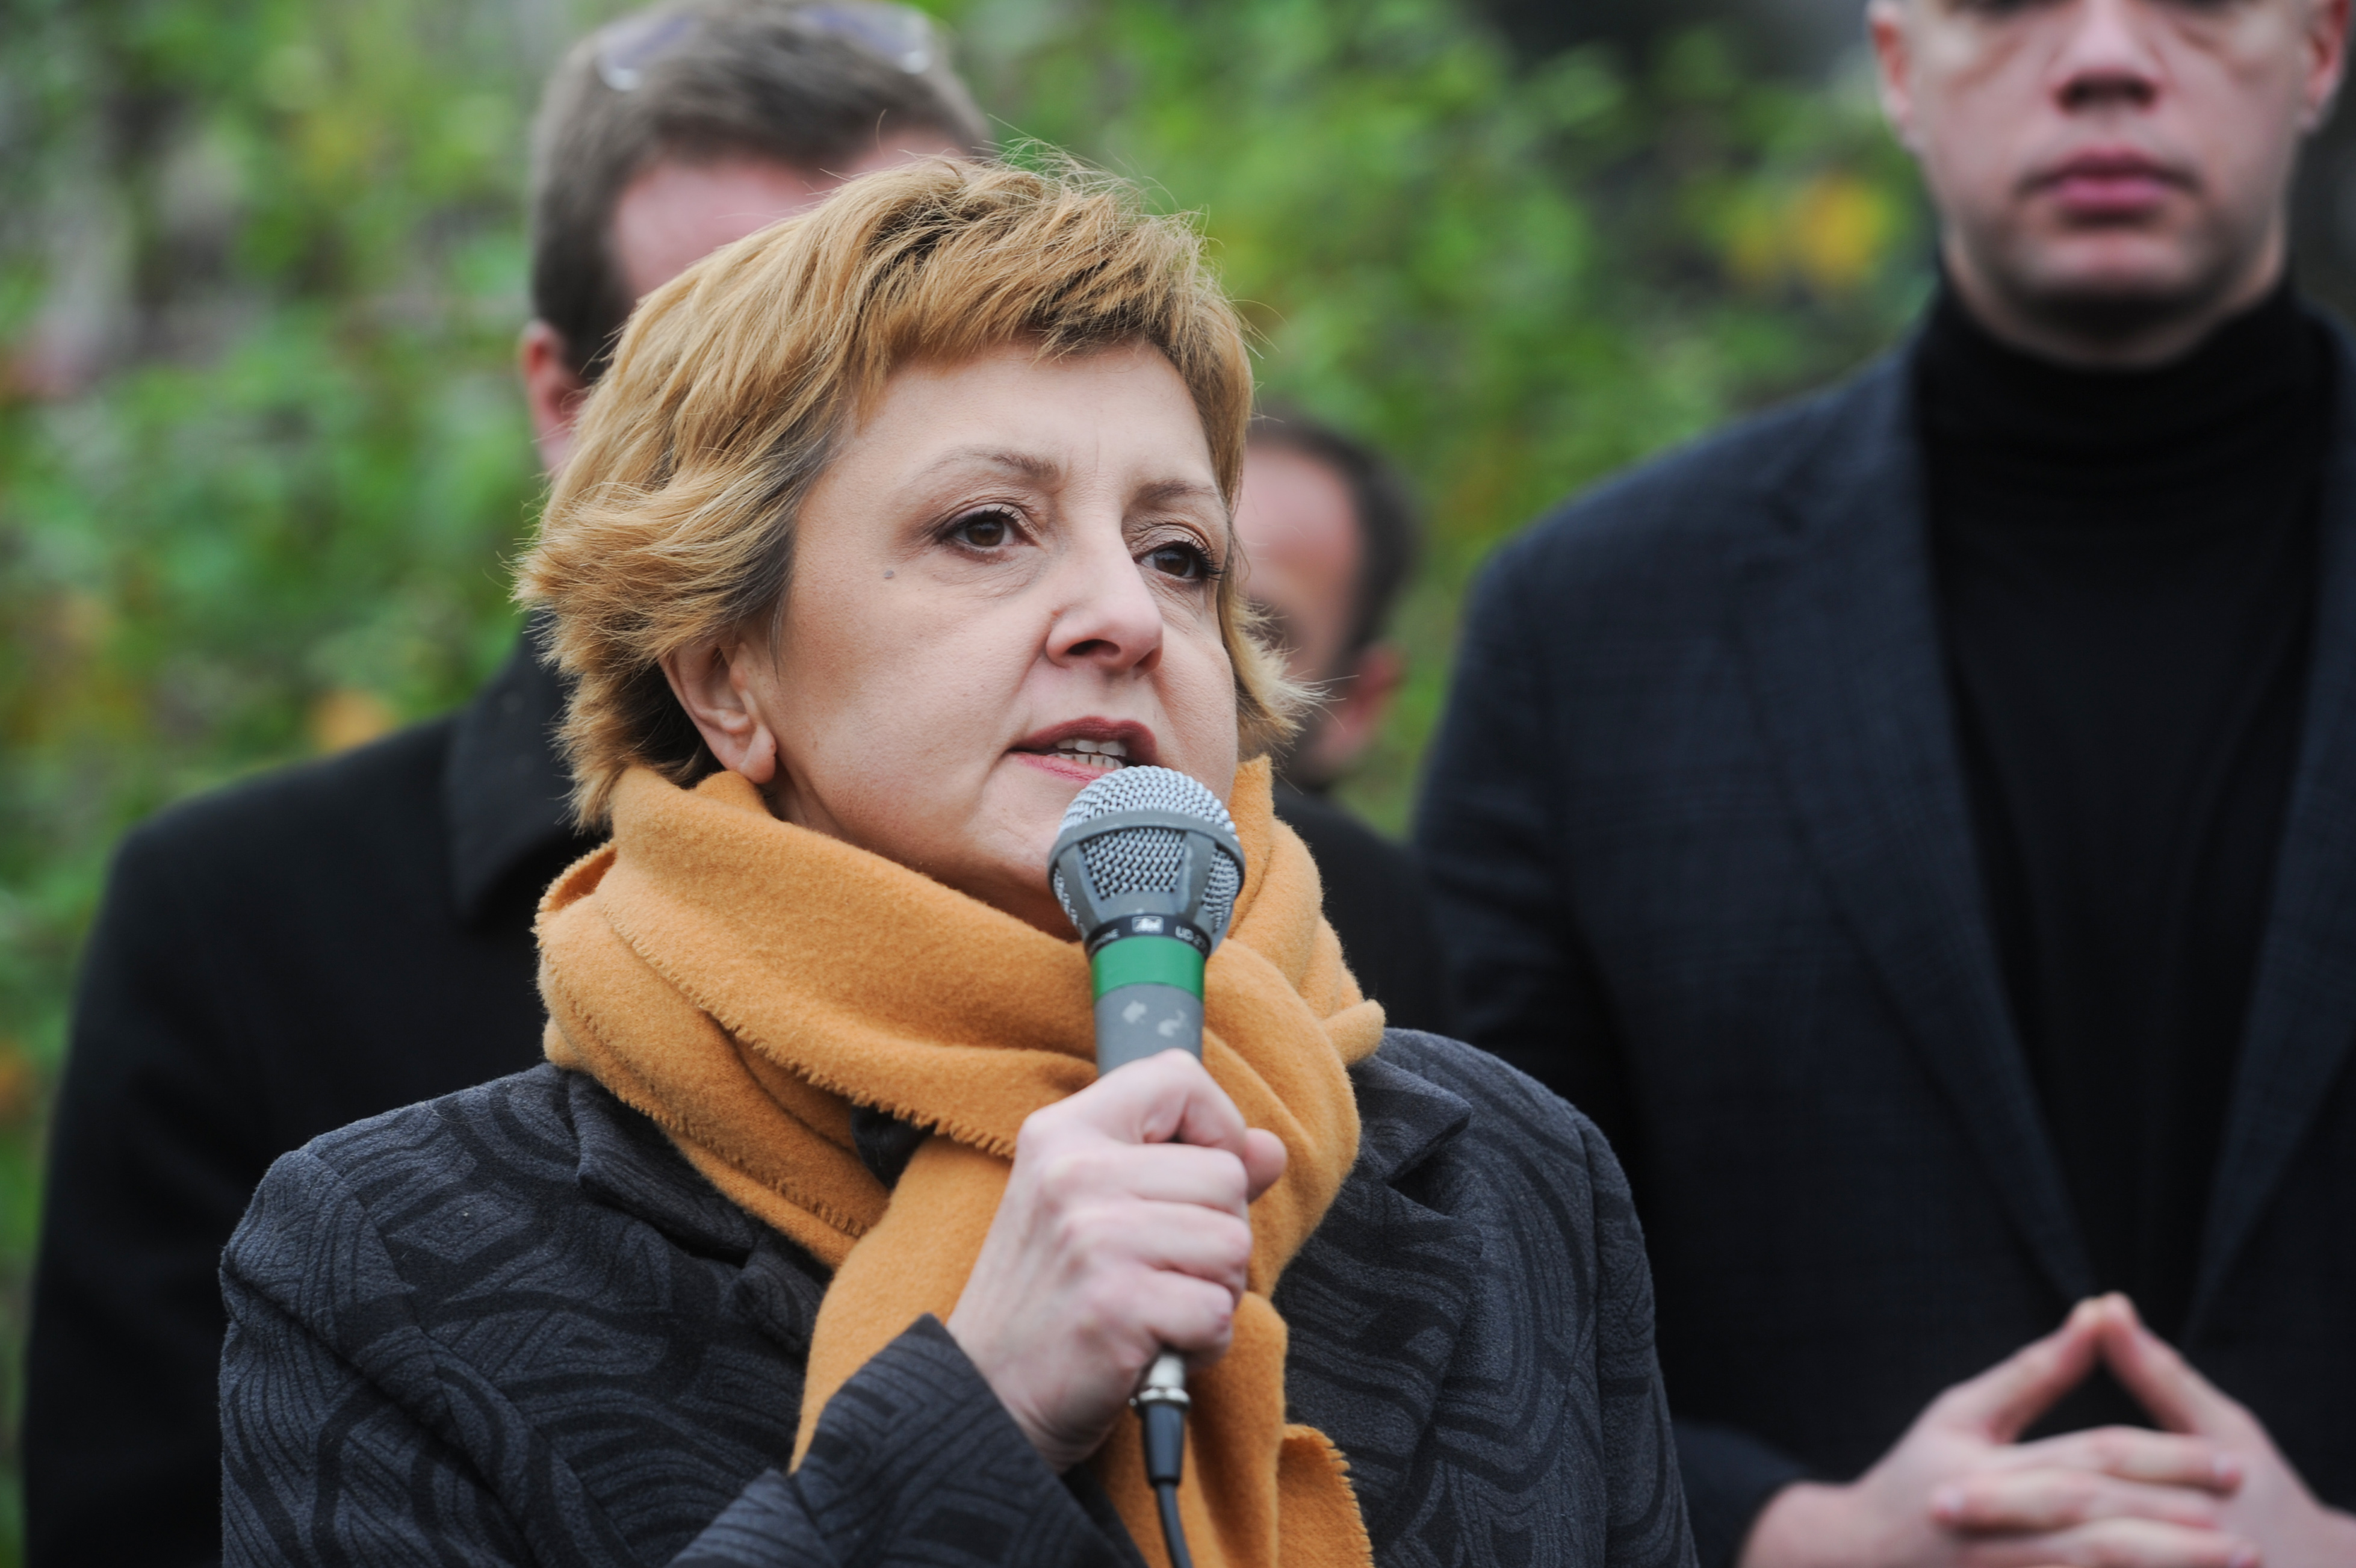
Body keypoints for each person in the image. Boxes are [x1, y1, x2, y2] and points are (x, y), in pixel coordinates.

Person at [217, 156, 1695, 1568]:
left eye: (1179, 553)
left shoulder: (1508, 1182)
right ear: (726, 671)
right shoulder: (398, 1256)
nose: (1122, 611)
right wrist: (968, 1419)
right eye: (988, 529)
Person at [22, 7, 985, 1563]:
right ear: (562, 403)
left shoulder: (1299, 925)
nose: (845, 461)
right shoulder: (245, 925)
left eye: (924, 361)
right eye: (741, 379)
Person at [1413, 0, 2356, 1565]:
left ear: (2319, 49)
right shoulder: (1591, 629)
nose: (2107, 53)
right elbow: (1455, 1281)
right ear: (1900, 64)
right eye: (2004, 5)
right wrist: (1795, 1534)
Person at [1231, 409, 1454, 1033]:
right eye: (1169, 566)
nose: (1160, 639)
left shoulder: (1380, 914)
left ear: (1357, 704)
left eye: (1255, 630)